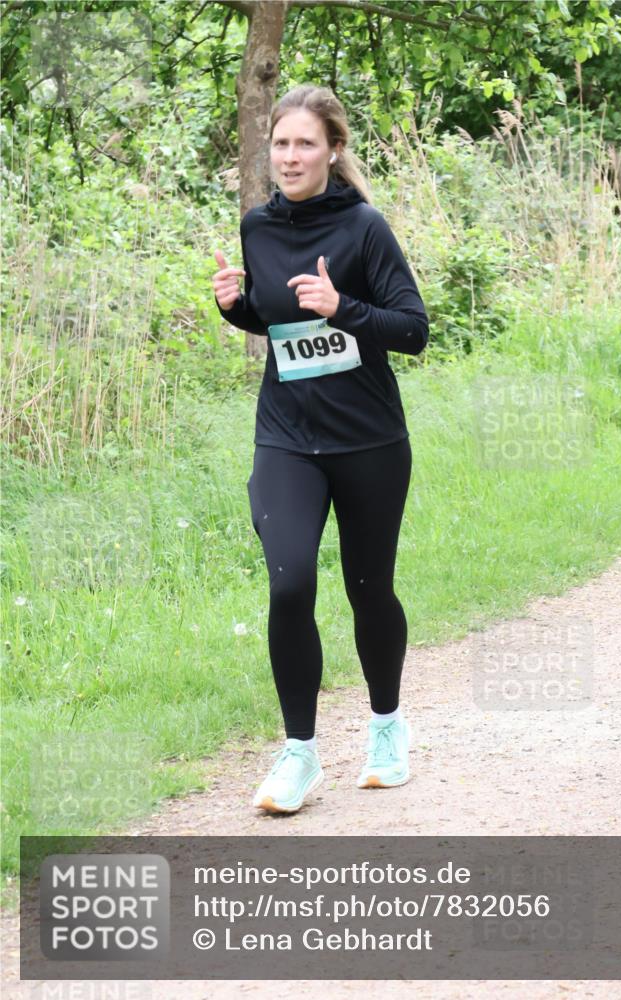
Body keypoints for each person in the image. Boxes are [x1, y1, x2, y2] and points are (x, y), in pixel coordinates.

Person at [212, 83, 429, 814]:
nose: (290, 156)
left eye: (305, 143)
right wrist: (238, 308)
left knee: (368, 589)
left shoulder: (364, 227)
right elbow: (280, 325)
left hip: (367, 438)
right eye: (280, 143)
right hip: (286, 436)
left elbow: (412, 329)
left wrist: (347, 308)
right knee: (288, 583)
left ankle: (386, 729)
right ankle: (299, 754)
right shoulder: (257, 228)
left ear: (332, 150)